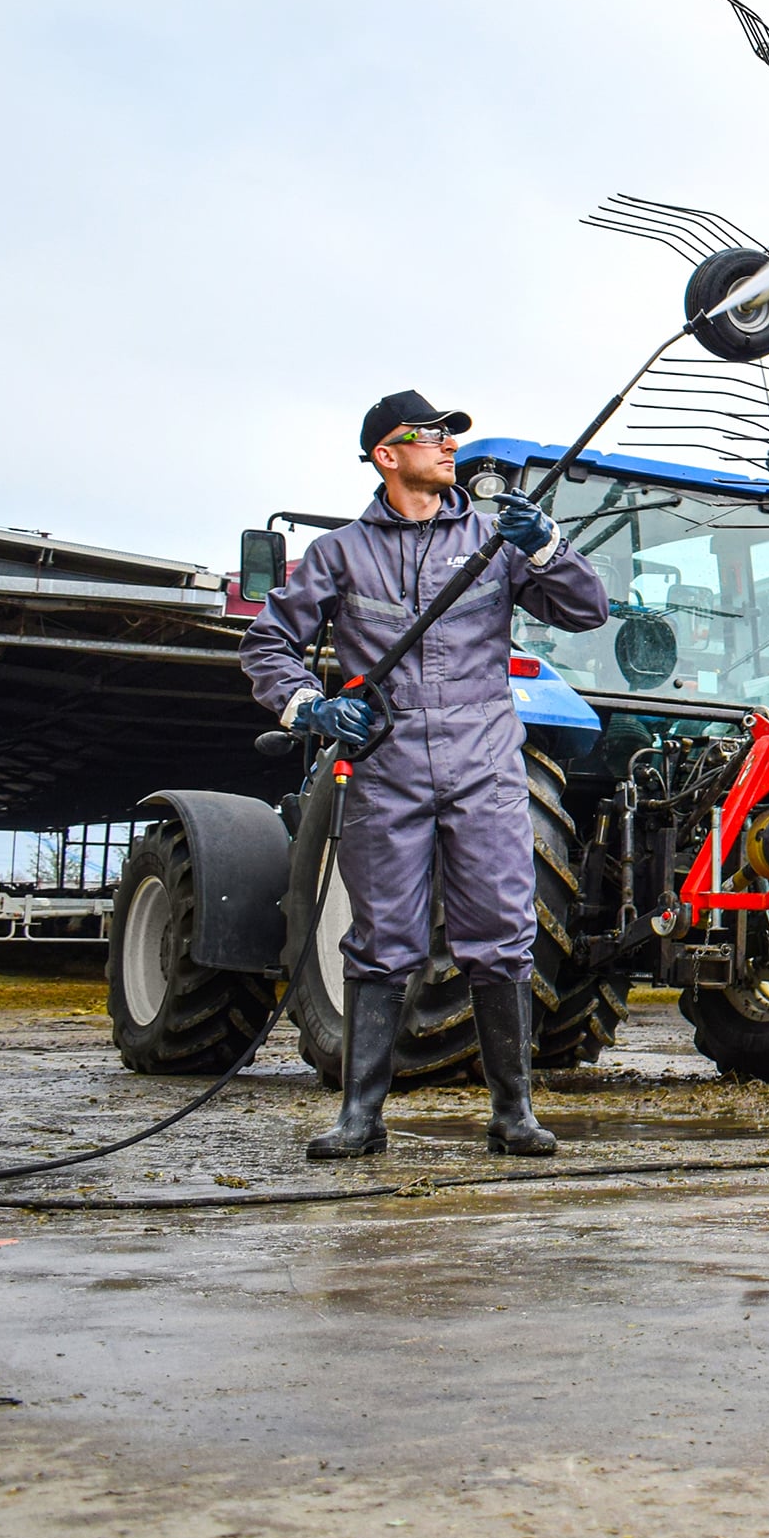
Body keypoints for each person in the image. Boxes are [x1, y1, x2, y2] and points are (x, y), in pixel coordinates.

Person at [239, 390, 609, 1162]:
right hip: (388, 765)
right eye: (429, 435)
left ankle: (513, 1113)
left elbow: (587, 611)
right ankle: (360, 1117)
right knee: (381, 941)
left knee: (500, 936)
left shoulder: (494, 538)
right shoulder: (340, 553)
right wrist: (309, 706)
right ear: (386, 454)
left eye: (449, 435)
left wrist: (547, 547)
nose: (447, 445)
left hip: (485, 763)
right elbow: (267, 643)